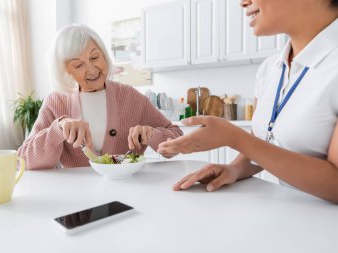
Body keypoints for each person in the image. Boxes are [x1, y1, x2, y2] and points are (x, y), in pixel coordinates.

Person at [158, 0, 338, 203]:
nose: (243, 2)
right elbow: (264, 142)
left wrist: (235, 137)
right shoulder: (270, 68)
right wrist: (235, 168)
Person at [18, 24, 182, 170]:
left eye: (95, 57)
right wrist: (58, 129)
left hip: (128, 193)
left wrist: (152, 134)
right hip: (79, 197)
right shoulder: (56, 101)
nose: (91, 69)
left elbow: (177, 138)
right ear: (65, 70)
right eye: (78, 65)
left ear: (104, 54)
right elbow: (23, 160)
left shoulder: (130, 96)